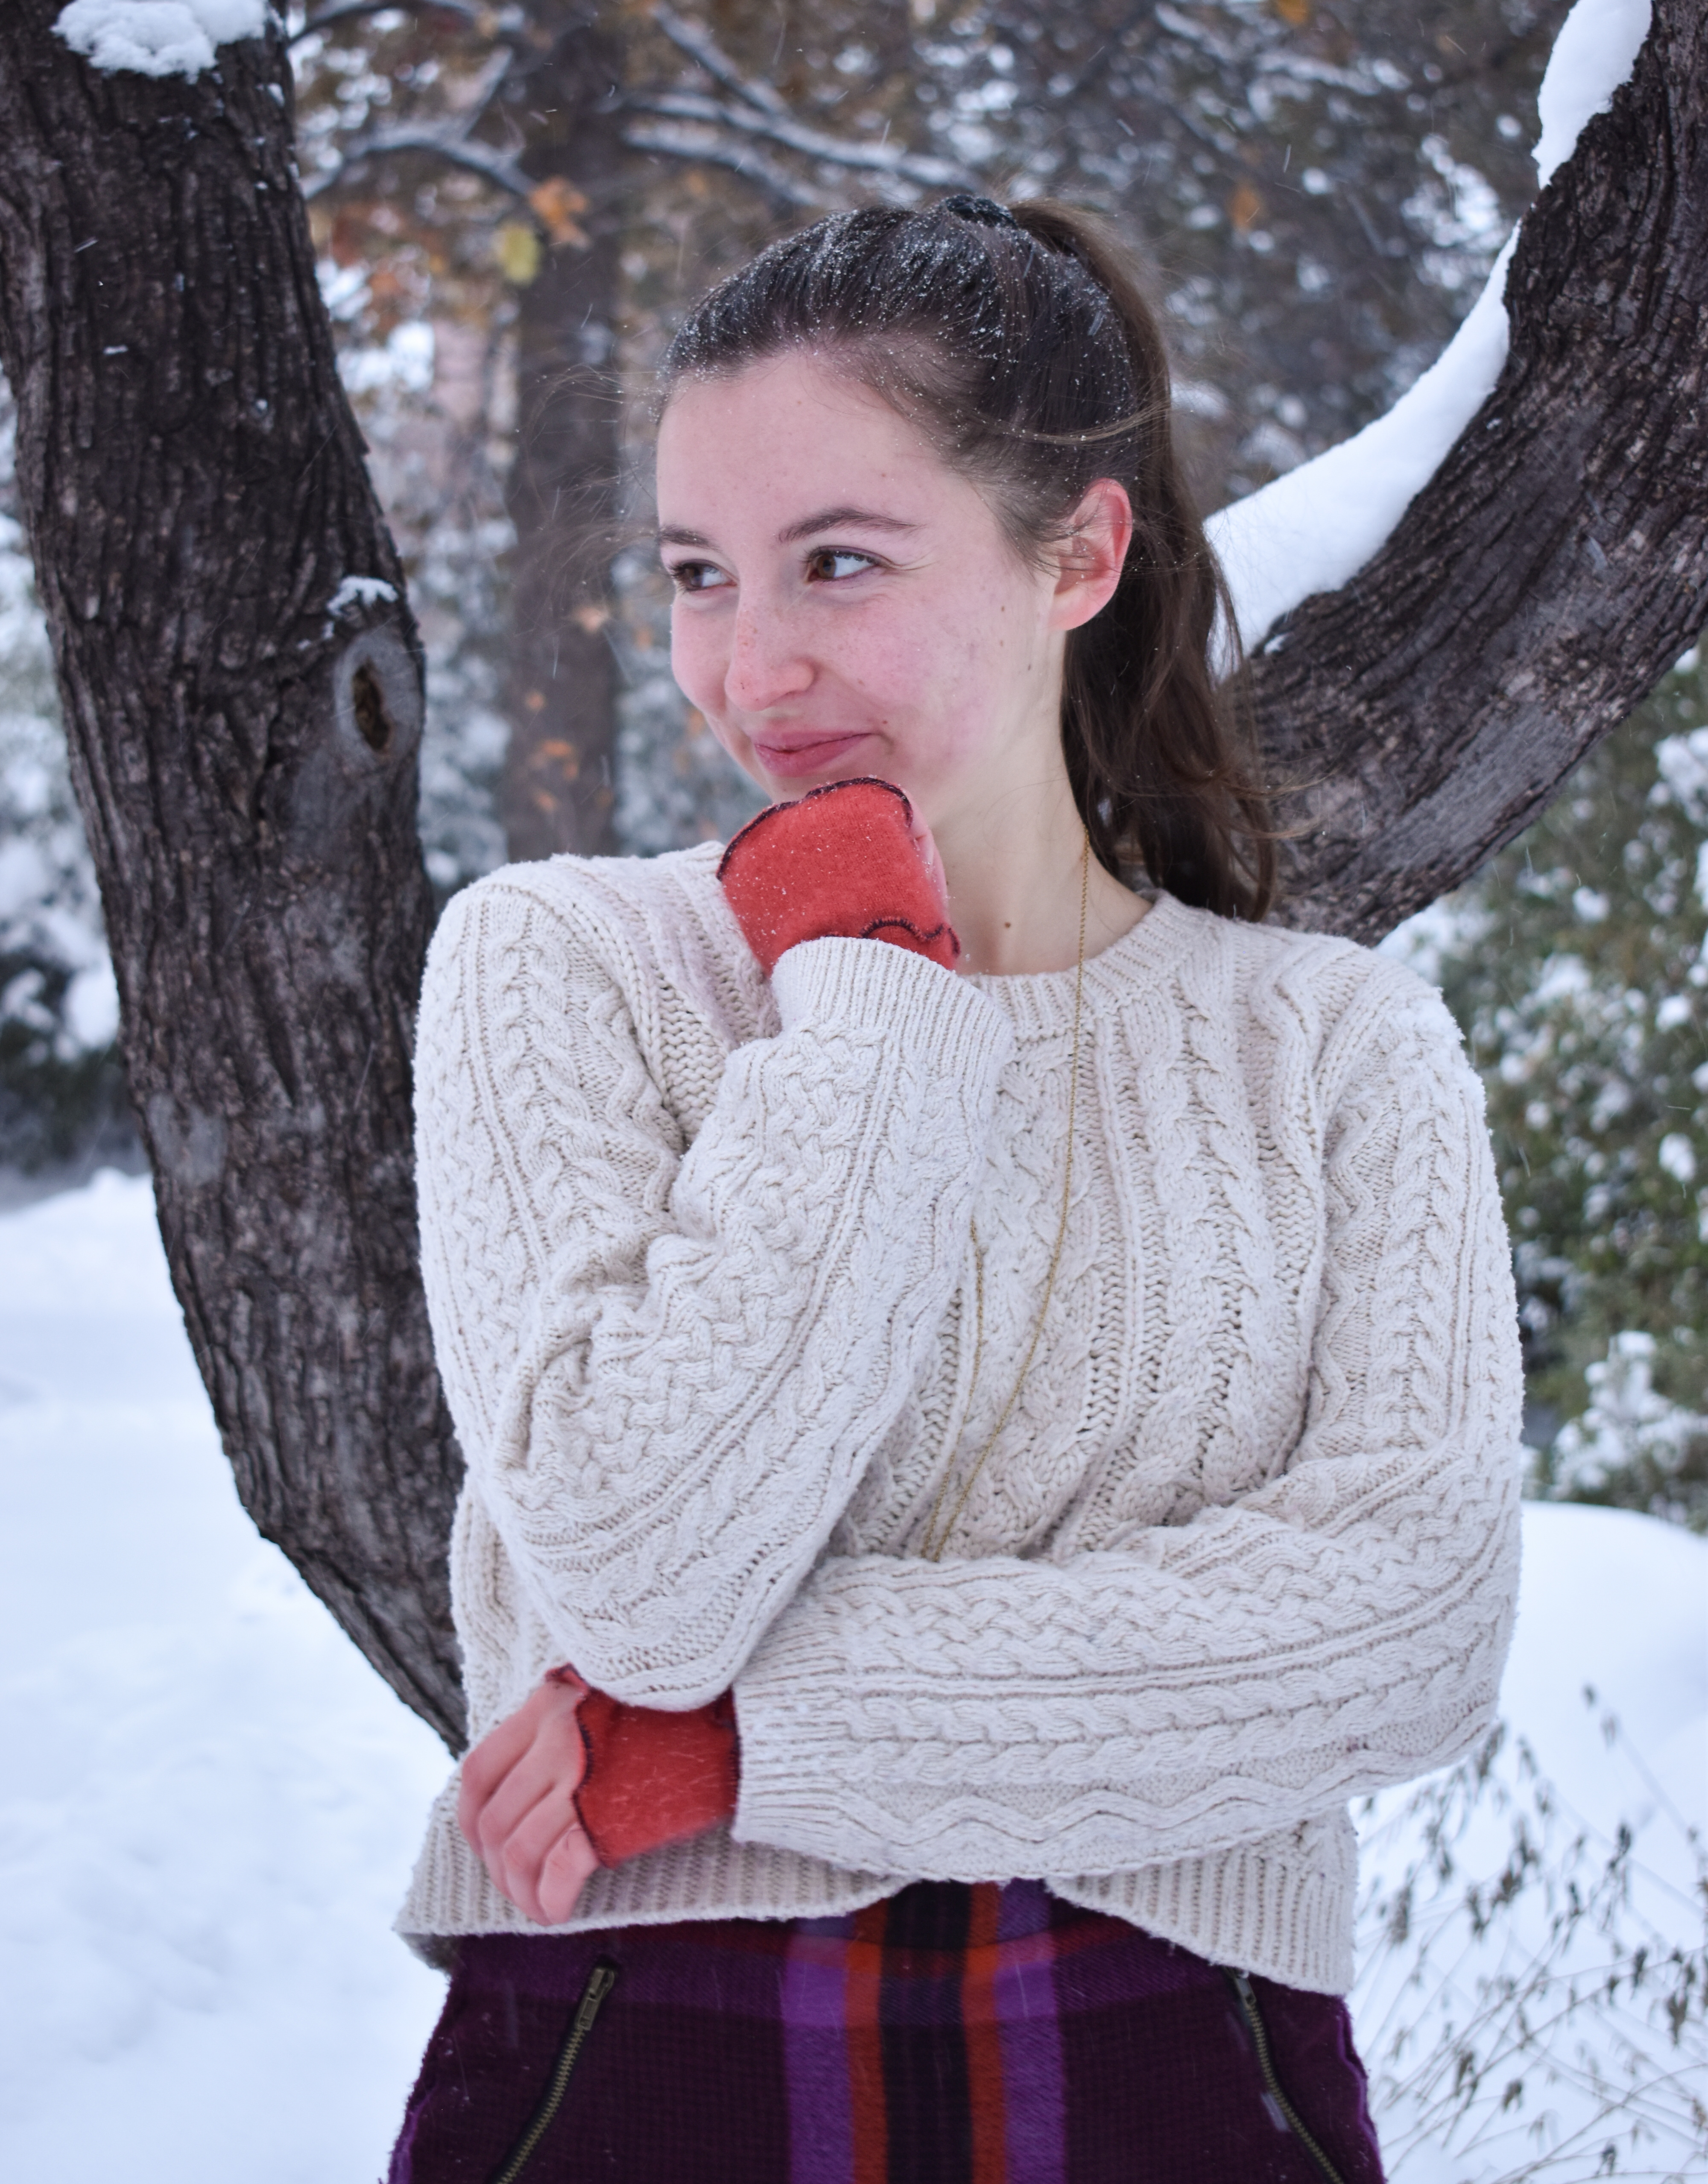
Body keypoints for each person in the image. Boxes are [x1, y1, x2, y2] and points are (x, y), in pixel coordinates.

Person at [387, 196, 1522, 2184]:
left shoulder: (1334, 1044)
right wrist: (874, 997)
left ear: (1077, 552)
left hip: (1181, 2060)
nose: (750, 663)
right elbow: (641, 1581)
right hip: (643, 2053)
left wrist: (749, 1743)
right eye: (696, 574)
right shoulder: (559, 964)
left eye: (838, 560)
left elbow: (1408, 1631)